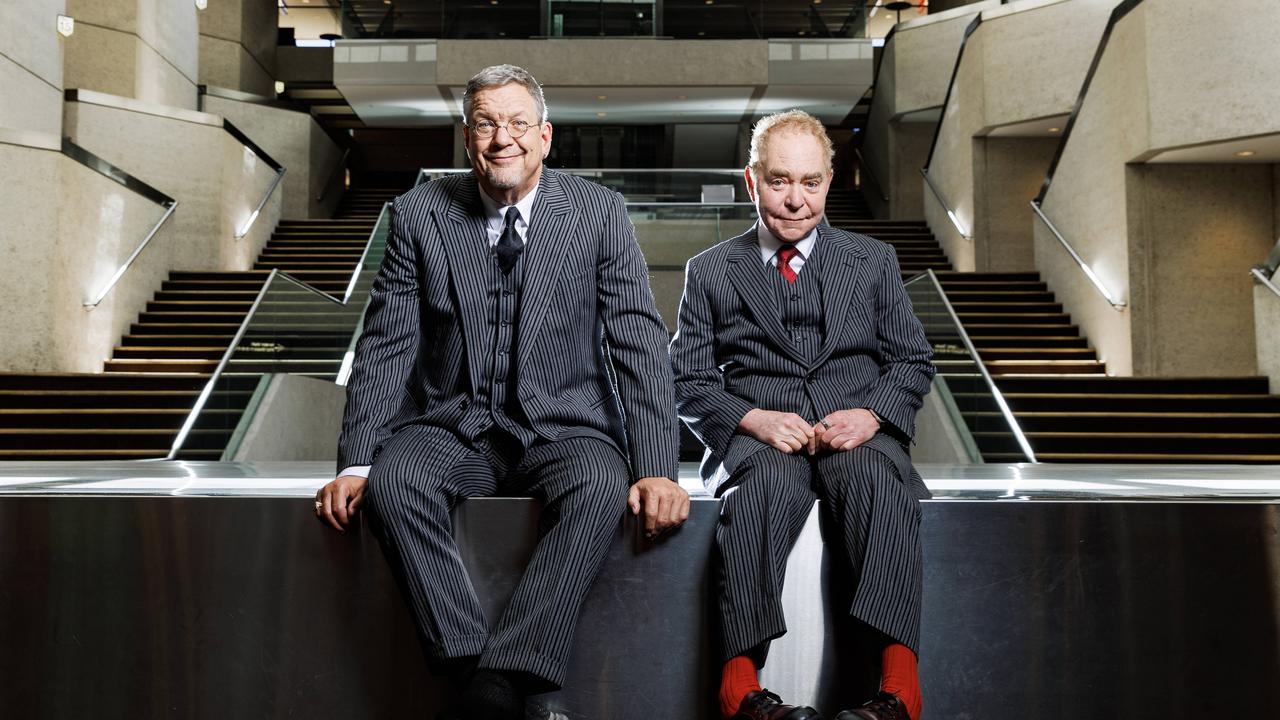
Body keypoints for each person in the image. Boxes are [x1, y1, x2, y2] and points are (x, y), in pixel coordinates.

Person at [314, 64, 689, 720]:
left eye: (518, 124)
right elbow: (386, 346)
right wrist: (356, 460)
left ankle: (508, 671)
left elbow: (637, 340)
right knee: (394, 485)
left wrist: (658, 466)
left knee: (602, 487)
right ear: (467, 138)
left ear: (545, 137)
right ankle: (468, 665)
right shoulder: (417, 215)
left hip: (564, 428)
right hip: (453, 425)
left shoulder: (598, 213)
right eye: (487, 124)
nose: (502, 139)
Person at [669, 110, 935, 720]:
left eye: (810, 183)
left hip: (856, 437)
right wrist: (750, 419)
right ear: (752, 180)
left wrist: (873, 416)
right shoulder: (711, 270)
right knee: (761, 490)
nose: (795, 200)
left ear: (830, 181)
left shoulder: (872, 261)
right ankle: (740, 690)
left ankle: (899, 690)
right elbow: (686, 377)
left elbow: (912, 360)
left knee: (875, 482)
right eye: (780, 181)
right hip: (762, 444)